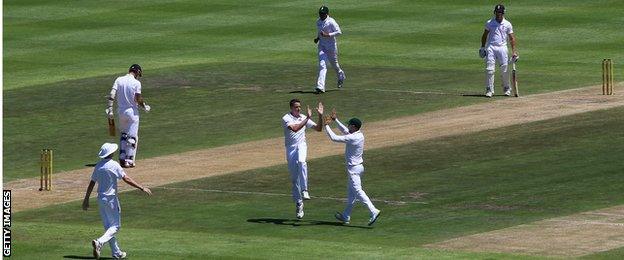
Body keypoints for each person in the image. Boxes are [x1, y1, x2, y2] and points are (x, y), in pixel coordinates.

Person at [82, 143, 152, 259]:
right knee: (115, 227)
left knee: (108, 227)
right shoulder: (114, 165)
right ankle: (99, 242)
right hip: (111, 200)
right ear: (111, 153)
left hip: (100, 199)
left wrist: (86, 199)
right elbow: (126, 178)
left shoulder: (98, 166)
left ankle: (116, 253)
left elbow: (92, 183)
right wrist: (141, 187)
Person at [322, 109, 381, 226]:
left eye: (349, 124)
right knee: (351, 195)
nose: (348, 125)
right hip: (357, 168)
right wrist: (335, 120)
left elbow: (334, 138)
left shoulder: (353, 138)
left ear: (353, 126)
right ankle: (346, 216)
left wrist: (326, 125)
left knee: (358, 191)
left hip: (354, 169)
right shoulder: (359, 134)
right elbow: (345, 130)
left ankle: (373, 210)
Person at [282, 99, 323, 219]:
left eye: (299, 107)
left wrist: (320, 116)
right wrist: (307, 118)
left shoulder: (304, 117)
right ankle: (299, 203)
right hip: (290, 148)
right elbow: (295, 128)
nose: (299, 109)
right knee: (294, 179)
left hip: (301, 145)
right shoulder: (286, 118)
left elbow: (319, 128)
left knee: (302, 161)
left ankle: (305, 190)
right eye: (296, 107)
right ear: (291, 108)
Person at [106, 64, 151, 168]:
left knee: (124, 134)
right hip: (132, 112)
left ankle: (122, 159)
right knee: (132, 136)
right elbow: (138, 99)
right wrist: (144, 107)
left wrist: (110, 109)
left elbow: (112, 94)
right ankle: (129, 160)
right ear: (138, 72)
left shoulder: (119, 79)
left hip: (120, 112)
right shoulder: (136, 83)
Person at [479, 4, 518, 98]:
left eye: (500, 13)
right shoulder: (489, 23)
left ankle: (506, 88)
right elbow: (484, 35)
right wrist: (483, 47)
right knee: (490, 69)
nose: (498, 14)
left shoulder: (507, 24)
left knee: (504, 69)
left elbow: (512, 38)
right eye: (497, 12)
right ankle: (489, 89)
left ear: (503, 13)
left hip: (502, 48)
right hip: (491, 47)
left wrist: (514, 51)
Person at [314, 5, 346, 93]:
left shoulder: (331, 21)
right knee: (322, 65)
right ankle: (320, 87)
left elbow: (339, 32)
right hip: (322, 46)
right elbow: (320, 32)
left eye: (323, 14)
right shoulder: (318, 22)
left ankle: (341, 75)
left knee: (335, 65)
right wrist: (317, 38)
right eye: (320, 14)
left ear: (327, 14)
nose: (321, 15)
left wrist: (328, 35)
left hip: (331, 47)